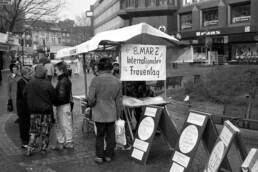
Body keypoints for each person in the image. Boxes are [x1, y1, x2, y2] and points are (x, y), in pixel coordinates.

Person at [88, 57, 123, 163]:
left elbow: (90, 98)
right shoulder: (117, 81)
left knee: (99, 135)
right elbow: (119, 100)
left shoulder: (95, 80)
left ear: (100, 68)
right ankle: (109, 155)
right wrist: (118, 114)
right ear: (110, 68)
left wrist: (92, 104)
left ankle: (99, 156)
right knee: (111, 135)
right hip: (111, 113)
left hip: (99, 113)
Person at [23, 65, 57, 156]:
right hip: (46, 112)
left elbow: (24, 94)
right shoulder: (47, 84)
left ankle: (29, 150)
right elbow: (54, 97)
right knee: (45, 132)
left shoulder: (30, 83)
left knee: (33, 131)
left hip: (34, 112)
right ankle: (43, 149)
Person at [52, 61, 74, 150]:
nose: (55, 72)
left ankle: (67, 142)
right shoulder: (64, 79)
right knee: (64, 123)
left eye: (56, 70)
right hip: (64, 105)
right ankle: (63, 141)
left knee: (64, 124)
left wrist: (55, 102)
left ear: (61, 70)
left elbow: (62, 97)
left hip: (63, 105)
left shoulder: (62, 81)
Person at [17, 66, 33, 149]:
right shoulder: (21, 82)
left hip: (28, 106)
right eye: (29, 73)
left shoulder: (29, 80)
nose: (31, 74)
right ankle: (24, 142)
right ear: (25, 74)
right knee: (24, 124)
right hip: (23, 107)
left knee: (29, 124)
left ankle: (29, 140)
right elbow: (24, 94)